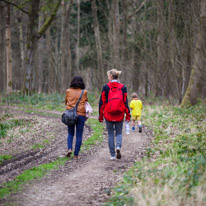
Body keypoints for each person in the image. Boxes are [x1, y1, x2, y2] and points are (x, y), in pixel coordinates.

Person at [99, 69, 131, 160]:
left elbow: (102, 102)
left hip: (108, 114)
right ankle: (118, 146)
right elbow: (125, 102)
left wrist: (101, 115)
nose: (108, 77)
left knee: (110, 134)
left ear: (111, 76)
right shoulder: (123, 87)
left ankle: (112, 155)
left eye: (108, 76)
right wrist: (128, 115)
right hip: (120, 114)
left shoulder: (106, 87)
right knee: (119, 132)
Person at [65, 76, 88, 159]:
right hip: (81, 114)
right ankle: (76, 155)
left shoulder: (68, 91)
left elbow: (66, 101)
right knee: (79, 135)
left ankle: (69, 149)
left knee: (70, 133)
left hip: (70, 114)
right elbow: (86, 102)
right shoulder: (84, 92)